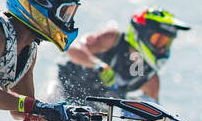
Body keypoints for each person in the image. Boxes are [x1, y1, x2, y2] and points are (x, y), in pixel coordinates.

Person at [55, 7, 190, 103]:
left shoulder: (151, 81)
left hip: (88, 109)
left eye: (166, 43)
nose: (162, 49)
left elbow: (155, 118)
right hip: (62, 88)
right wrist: (98, 65)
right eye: (159, 40)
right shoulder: (112, 39)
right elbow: (71, 48)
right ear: (142, 33)